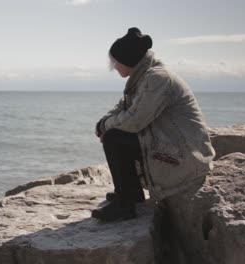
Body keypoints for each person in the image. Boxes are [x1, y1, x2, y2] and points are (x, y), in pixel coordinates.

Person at [91, 27, 216, 222]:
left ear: (128, 59)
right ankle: (130, 194)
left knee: (115, 138)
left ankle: (125, 205)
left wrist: (106, 127)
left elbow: (134, 121)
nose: (114, 66)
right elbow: (122, 107)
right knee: (114, 134)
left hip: (186, 156)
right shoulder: (144, 77)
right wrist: (103, 123)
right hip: (172, 144)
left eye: (115, 62)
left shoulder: (157, 79)